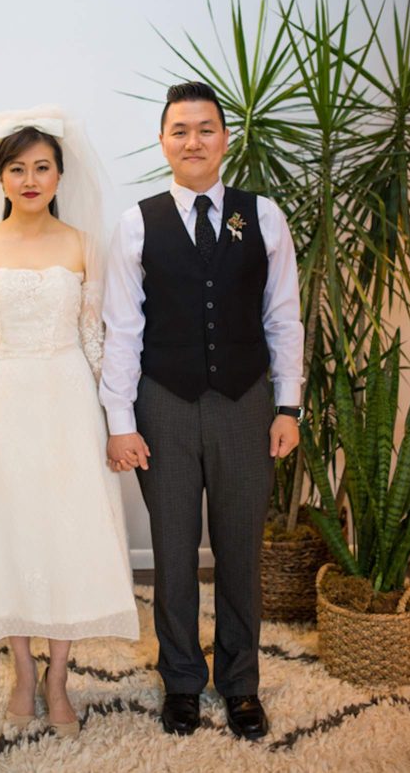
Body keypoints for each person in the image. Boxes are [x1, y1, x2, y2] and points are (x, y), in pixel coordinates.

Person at [0, 106, 139, 740]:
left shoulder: (81, 244)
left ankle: (58, 676)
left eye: (42, 166)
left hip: (68, 404)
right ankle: (21, 669)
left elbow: (97, 341)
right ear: (0, 177)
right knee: (6, 535)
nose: (30, 178)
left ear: (60, 173)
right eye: (17, 168)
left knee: (69, 533)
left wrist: (119, 420)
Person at [100, 81, 304, 740]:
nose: (194, 140)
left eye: (206, 128)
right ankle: (182, 681)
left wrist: (288, 405)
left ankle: (241, 684)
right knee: (174, 548)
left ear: (225, 138)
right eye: (180, 130)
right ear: (163, 141)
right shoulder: (136, 223)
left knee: (242, 546)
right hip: (162, 402)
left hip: (246, 402)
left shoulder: (265, 216)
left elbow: (284, 319)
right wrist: (121, 423)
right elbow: (122, 329)